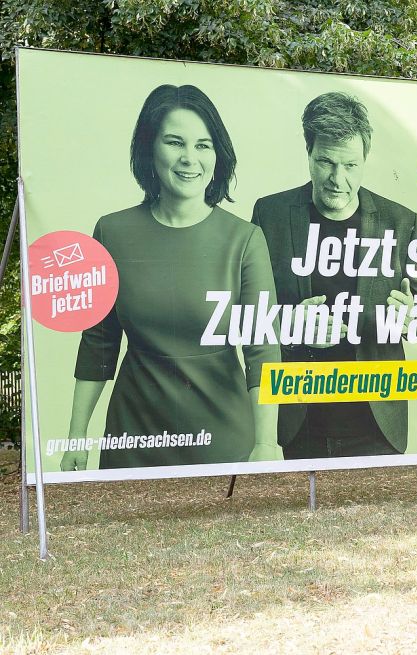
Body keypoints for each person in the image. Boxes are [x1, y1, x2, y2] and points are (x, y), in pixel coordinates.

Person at [61, 84, 282, 471]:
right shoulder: (111, 233)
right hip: (133, 439)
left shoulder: (246, 239)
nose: (189, 158)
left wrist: (266, 442)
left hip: (224, 441)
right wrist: (76, 437)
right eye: (175, 142)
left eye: (203, 145)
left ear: (217, 154)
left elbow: (262, 350)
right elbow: (98, 343)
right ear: (150, 148)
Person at [252, 91, 417, 459]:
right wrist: (289, 326)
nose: (338, 178)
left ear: (365, 158)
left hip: (377, 425)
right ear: (308, 154)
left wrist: (411, 317)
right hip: (296, 422)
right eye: (325, 162)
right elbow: (246, 314)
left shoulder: (401, 222)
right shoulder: (270, 215)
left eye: (350, 165)